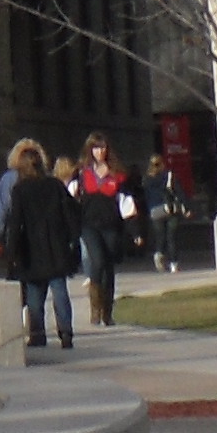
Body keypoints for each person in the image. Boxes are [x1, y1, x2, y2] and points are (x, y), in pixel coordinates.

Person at [0, 139, 83, 350]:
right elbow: (70, 213)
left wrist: (12, 253)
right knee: (59, 290)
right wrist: (73, 239)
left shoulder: (20, 190)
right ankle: (66, 332)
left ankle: (38, 333)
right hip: (56, 245)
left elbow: (15, 223)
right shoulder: (55, 185)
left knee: (35, 295)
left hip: (31, 249)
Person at [72, 134, 133, 327]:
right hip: (89, 225)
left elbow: (126, 203)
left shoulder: (117, 174)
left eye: (103, 148)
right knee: (97, 261)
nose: (100, 152)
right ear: (90, 150)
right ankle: (95, 311)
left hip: (111, 225)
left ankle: (108, 311)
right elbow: (70, 198)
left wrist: (135, 230)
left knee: (108, 265)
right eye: (96, 148)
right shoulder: (82, 174)